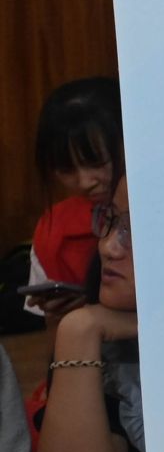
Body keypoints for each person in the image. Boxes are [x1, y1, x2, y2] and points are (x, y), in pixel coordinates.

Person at [36, 175, 143, 452]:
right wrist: (79, 331)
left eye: (133, 230)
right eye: (111, 221)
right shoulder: (106, 343)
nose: (108, 247)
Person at [23, 77, 123, 330]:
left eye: (97, 162)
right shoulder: (53, 232)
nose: (84, 182)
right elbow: (55, 344)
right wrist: (63, 314)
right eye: (66, 169)